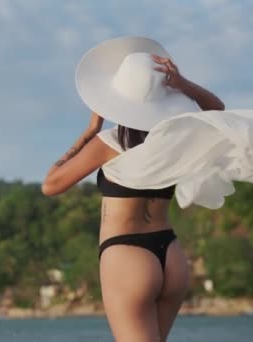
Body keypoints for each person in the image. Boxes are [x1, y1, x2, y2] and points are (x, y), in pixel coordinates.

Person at [41, 37, 225, 342]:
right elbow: (217, 111)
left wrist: (88, 133)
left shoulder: (109, 143)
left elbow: (51, 184)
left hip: (127, 257)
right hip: (172, 256)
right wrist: (183, 85)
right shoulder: (174, 141)